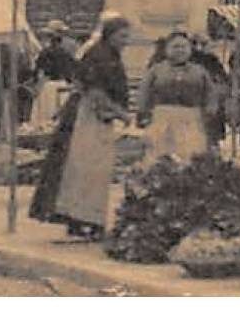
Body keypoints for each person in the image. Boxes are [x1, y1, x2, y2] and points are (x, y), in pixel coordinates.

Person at [29, 13, 133, 240]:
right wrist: (122, 114)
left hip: (90, 115)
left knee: (84, 169)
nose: (126, 40)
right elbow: (95, 90)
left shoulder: (106, 53)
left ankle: (81, 220)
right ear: (111, 35)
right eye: (122, 36)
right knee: (86, 168)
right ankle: (85, 220)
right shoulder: (100, 56)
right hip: (87, 117)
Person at [137, 31, 218, 162]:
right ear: (166, 50)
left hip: (191, 119)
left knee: (191, 156)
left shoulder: (200, 71)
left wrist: (210, 111)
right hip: (162, 119)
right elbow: (144, 92)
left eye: (184, 47)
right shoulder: (156, 70)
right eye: (175, 47)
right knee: (161, 156)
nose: (180, 50)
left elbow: (210, 94)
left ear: (190, 49)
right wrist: (144, 113)